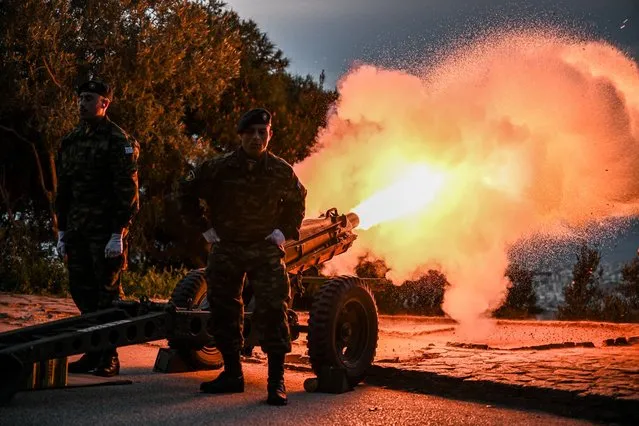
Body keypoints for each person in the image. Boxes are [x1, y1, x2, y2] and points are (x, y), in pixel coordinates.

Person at [179, 108, 307, 406]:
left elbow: (297, 201)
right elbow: (186, 190)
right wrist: (205, 228)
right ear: (241, 135)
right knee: (224, 309)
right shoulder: (218, 168)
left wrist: (284, 231)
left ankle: (275, 381)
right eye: (251, 132)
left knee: (274, 309)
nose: (257, 138)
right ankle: (232, 374)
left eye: (263, 132)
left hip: (265, 248)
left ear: (269, 134)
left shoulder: (280, 170)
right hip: (227, 247)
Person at [55, 79, 140, 377]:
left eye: (89, 98)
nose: (82, 103)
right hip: (78, 228)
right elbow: (63, 189)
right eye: (80, 97)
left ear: (105, 103)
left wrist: (118, 233)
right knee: (81, 290)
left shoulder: (119, 141)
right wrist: (62, 230)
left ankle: (109, 357)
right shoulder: (71, 140)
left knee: (107, 295)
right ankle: (93, 352)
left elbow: (128, 192)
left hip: (105, 232)